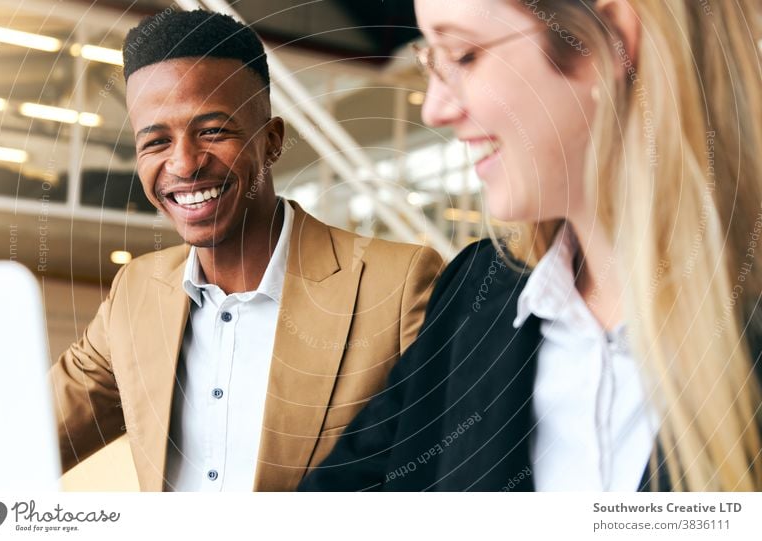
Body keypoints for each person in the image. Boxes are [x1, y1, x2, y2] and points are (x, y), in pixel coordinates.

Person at [300, 0, 762, 491]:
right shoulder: (470, 297)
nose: (433, 107)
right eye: (429, 60)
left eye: (462, 55)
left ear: (609, 38)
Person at [49, 10, 443, 492]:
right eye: (155, 141)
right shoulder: (136, 293)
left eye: (213, 131)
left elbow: (454, 475)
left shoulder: (397, 285)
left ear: (272, 141)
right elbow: (22, 438)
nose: (184, 163)